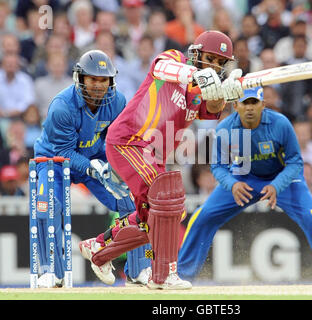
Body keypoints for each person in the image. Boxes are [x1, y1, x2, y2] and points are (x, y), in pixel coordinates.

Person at [79, 30, 244, 290]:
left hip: (152, 155)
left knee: (152, 218)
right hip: (129, 140)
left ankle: (98, 249)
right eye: (211, 58)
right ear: (196, 53)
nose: (215, 65)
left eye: (221, 63)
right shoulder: (175, 59)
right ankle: (164, 275)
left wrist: (226, 92)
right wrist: (195, 74)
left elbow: (211, 110)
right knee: (168, 201)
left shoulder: (201, 91)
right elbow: (161, 67)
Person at [177, 87, 312, 285]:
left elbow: (295, 162)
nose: (250, 108)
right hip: (243, 179)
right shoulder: (225, 128)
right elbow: (218, 166)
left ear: (263, 105)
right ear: (235, 106)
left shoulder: (280, 123)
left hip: (282, 178)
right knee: (202, 217)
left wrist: (277, 185)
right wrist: (232, 185)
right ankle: (182, 277)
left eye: (254, 103)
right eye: (244, 103)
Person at [33, 50, 136, 288]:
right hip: (54, 161)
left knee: (129, 203)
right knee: (48, 205)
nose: (99, 85)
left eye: (103, 80)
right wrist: (92, 168)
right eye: (92, 79)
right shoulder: (61, 106)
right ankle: (50, 272)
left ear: (111, 80)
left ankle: (134, 269)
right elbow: (65, 153)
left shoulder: (118, 101)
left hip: (94, 157)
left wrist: (117, 168)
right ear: (80, 78)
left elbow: (119, 140)